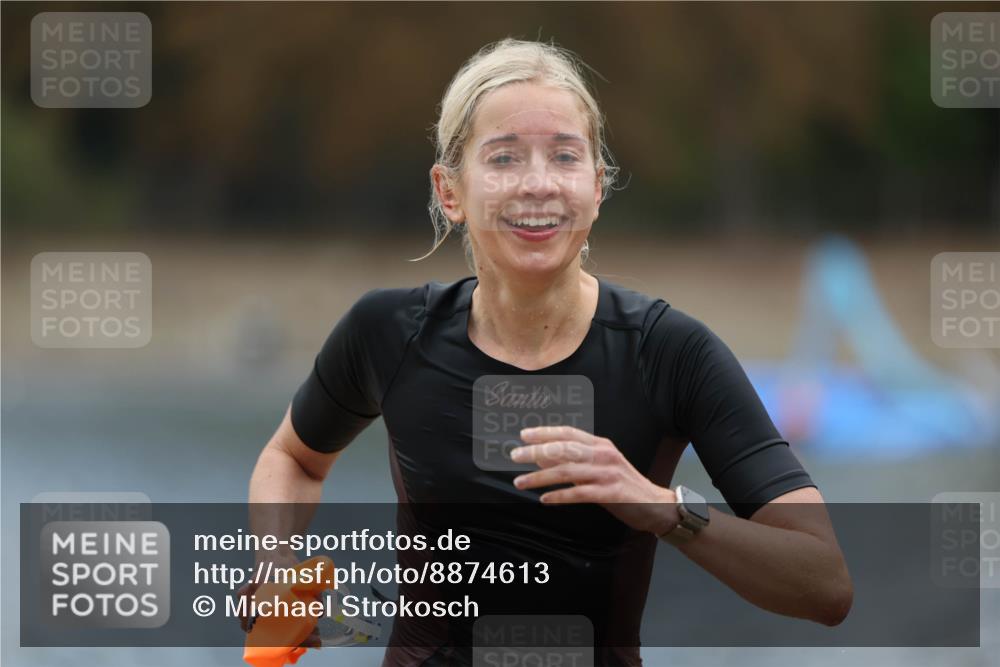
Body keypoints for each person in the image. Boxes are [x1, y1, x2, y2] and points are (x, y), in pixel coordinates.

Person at [242, 38, 853, 666]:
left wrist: (662, 510)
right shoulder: (388, 333)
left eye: (564, 157)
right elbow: (293, 457)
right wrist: (277, 564)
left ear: (596, 186)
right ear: (450, 191)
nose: (538, 184)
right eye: (504, 158)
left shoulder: (670, 352)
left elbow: (825, 584)